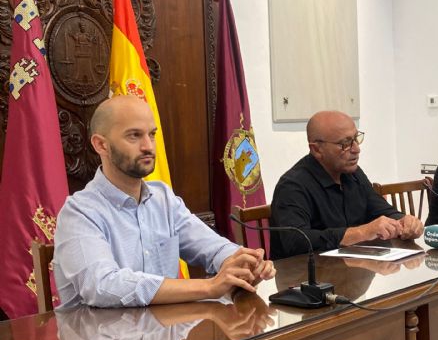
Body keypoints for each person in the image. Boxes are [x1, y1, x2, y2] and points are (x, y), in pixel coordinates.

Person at [53, 95, 275, 309]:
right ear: (101, 145)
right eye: (134, 136)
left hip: (162, 337)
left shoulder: (163, 199)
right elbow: (101, 286)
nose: (148, 146)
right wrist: (208, 286)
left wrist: (242, 263)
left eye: (152, 134)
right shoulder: (79, 212)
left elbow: (212, 247)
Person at [270, 110, 423, 259]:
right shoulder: (293, 186)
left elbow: (381, 210)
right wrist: (360, 233)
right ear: (316, 149)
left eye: (356, 139)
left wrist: (404, 222)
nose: (357, 149)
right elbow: (296, 242)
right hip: (308, 276)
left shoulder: (353, 174)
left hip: (355, 267)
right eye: (345, 143)